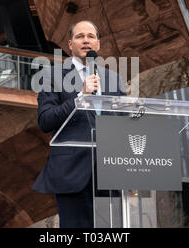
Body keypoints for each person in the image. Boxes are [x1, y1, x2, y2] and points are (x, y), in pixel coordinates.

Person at [33, 20, 126, 228]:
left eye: (91, 36)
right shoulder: (52, 75)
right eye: (80, 36)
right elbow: (45, 120)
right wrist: (79, 97)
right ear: (70, 44)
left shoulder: (114, 79)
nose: (86, 41)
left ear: (98, 44)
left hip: (110, 172)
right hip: (72, 172)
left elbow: (123, 121)